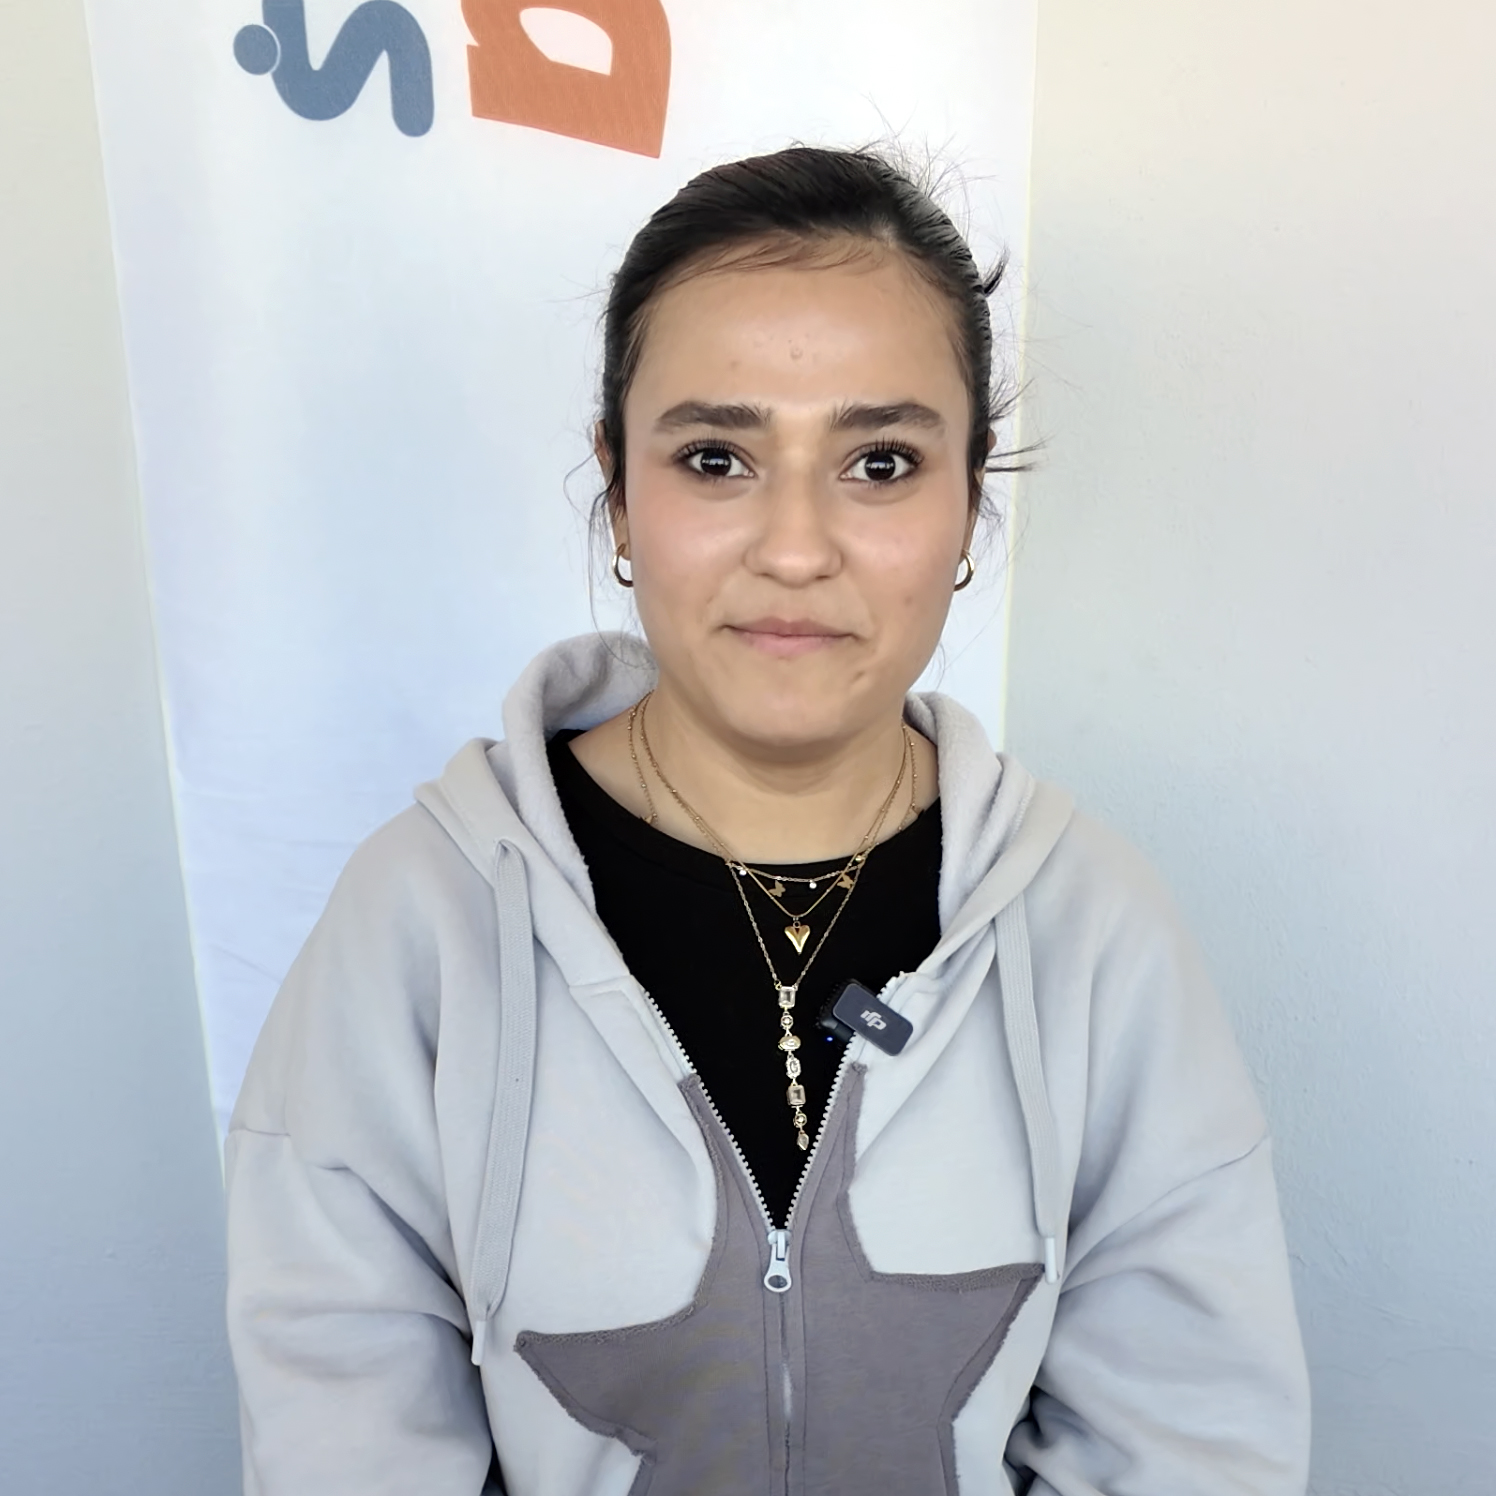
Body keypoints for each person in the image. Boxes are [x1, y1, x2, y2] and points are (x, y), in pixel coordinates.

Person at [225, 146, 1311, 1495]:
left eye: (881, 461)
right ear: (620, 491)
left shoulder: (1092, 930)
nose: (796, 548)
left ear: (971, 500)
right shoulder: (422, 922)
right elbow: (342, 1431)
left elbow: (1188, 1439)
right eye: (716, 457)